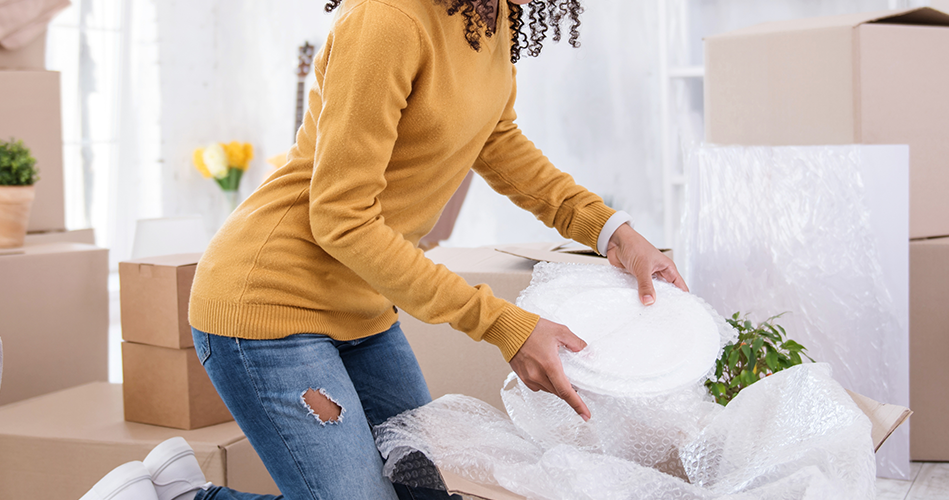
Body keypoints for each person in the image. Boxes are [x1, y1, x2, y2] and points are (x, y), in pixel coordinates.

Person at [82, 0, 684, 499]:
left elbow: (497, 142)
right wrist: (504, 324)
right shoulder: (386, 18)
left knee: (426, 488)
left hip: (363, 310)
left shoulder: (490, 13)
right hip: (268, 304)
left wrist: (614, 232)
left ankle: (175, 485)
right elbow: (342, 218)